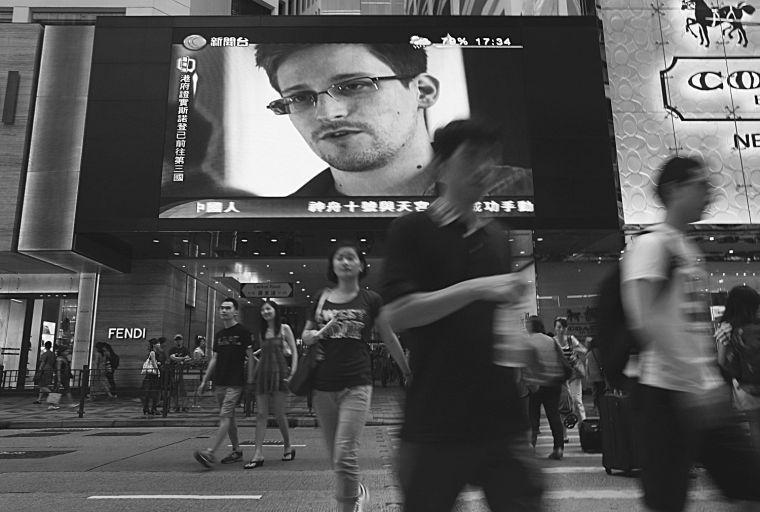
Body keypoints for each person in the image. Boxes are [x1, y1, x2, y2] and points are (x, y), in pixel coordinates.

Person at [381, 119, 543, 512]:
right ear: (440, 166)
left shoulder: (497, 238)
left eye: (491, 159)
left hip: (502, 419)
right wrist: (478, 288)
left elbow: (499, 321)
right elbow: (398, 315)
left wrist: (525, 350)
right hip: (435, 420)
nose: (484, 167)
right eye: (471, 157)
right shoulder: (413, 230)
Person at [622, 155, 760, 511]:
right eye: (701, 185)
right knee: (668, 500)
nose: (709, 194)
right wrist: (693, 380)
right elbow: (645, 319)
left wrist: (707, 380)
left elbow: (691, 327)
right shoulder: (651, 245)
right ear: (673, 190)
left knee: (748, 485)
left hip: (700, 389)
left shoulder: (686, 248)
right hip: (664, 394)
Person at [301, 241, 411, 512]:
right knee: (336, 458)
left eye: (351, 258)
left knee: (345, 455)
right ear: (333, 265)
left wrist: (407, 371)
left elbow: (388, 337)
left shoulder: (371, 300)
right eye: (340, 258)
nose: (346, 262)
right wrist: (311, 336)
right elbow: (304, 335)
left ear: (361, 266)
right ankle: (357, 490)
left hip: (357, 384)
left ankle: (348, 507)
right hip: (322, 387)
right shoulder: (320, 297)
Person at [255, 43, 440, 197]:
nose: (327, 114)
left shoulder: (469, 199)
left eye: (353, 86)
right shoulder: (280, 223)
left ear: (422, 92)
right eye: (300, 98)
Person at [194, 298, 256, 468]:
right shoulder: (219, 334)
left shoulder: (243, 332)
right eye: (221, 308)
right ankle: (237, 450)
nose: (223, 311)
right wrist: (205, 380)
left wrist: (250, 379)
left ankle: (210, 452)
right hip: (219, 381)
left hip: (235, 382)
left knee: (225, 415)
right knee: (230, 418)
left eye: (227, 308)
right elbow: (215, 358)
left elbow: (251, 357)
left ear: (235, 311)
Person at [245, 299, 299, 469]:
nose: (265, 312)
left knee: (279, 413)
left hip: (280, 372)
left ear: (275, 310)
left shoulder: (284, 328)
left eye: (268, 309)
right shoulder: (262, 331)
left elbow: (295, 352)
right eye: (263, 310)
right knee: (261, 414)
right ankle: (257, 453)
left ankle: (288, 445)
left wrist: (292, 373)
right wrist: (252, 375)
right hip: (263, 373)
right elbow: (262, 355)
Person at [715, 285, 760, 451]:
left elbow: (721, 362)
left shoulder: (726, 327)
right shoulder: (757, 325)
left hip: (743, 384)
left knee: (754, 425)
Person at [524, 316, 566, 460]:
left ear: (531, 326)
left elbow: (526, 364)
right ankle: (558, 448)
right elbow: (561, 359)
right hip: (554, 383)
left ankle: (531, 446)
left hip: (536, 385)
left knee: (533, 418)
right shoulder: (551, 340)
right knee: (554, 416)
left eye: (527, 324)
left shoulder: (528, 341)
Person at [553, 317, 587, 429]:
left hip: (573, 375)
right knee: (563, 405)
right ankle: (564, 433)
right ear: (555, 328)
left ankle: (584, 427)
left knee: (577, 401)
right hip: (560, 377)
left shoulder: (571, 339)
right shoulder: (553, 342)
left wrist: (575, 352)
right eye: (558, 327)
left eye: (563, 327)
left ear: (566, 328)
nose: (561, 329)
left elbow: (584, 350)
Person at [169, 334, 192, 412]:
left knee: (183, 390)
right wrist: (182, 359)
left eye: (179, 339)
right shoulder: (172, 349)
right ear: (174, 341)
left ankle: (184, 406)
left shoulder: (185, 349)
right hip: (174, 372)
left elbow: (188, 358)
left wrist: (178, 359)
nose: (178, 341)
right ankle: (176, 406)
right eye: (176, 340)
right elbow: (172, 357)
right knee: (174, 390)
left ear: (182, 340)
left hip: (183, 373)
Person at [50, 345, 75, 409]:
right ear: (62, 352)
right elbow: (58, 369)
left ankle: (71, 403)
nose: (67, 352)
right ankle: (52, 405)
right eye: (66, 351)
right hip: (60, 376)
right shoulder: (59, 359)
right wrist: (58, 379)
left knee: (66, 389)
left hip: (64, 376)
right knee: (56, 390)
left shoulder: (64, 358)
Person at [141, 338, 161, 417]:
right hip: (152, 375)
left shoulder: (154, 353)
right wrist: (157, 371)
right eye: (158, 343)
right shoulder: (153, 352)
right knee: (153, 392)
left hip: (151, 376)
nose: (159, 344)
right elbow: (153, 363)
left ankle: (148, 409)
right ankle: (152, 409)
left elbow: (155, 362)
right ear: (154, 345)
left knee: (150, 392)